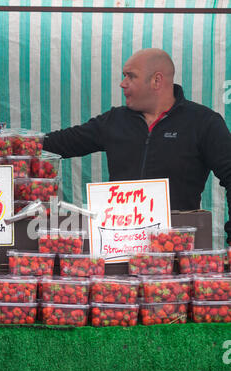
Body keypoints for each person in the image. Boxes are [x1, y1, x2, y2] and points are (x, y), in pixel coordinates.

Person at [43, 48, 231, 244]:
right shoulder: (114, 120)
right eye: (124, 76)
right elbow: (63, 143)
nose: (122, 83)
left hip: (177, 247)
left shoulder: (203, 122)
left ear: (157, 81)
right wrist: (18, 142)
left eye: (131, 76)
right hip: (119, 243)